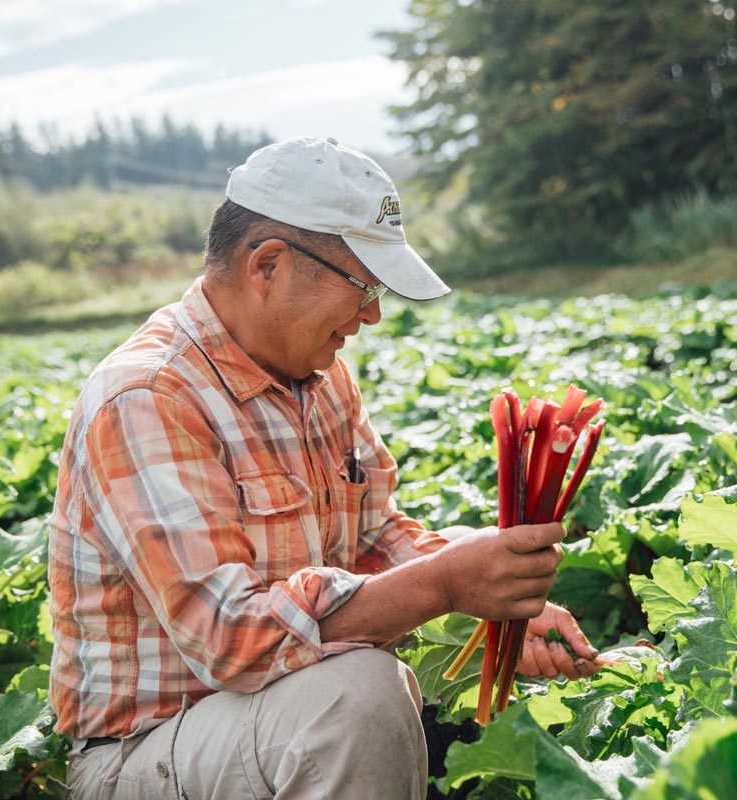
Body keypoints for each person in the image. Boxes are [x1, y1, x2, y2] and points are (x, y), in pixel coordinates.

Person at [48, 136, 600, 800]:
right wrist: (445, 585)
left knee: (431, 620)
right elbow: (229, 639)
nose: (373, 313)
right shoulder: (148, 397)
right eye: (364, 285)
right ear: (269, 265)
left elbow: (376, 538)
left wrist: (490, 595)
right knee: (356, 698)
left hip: (278, 712)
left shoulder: (323, 378)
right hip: (145, 749)